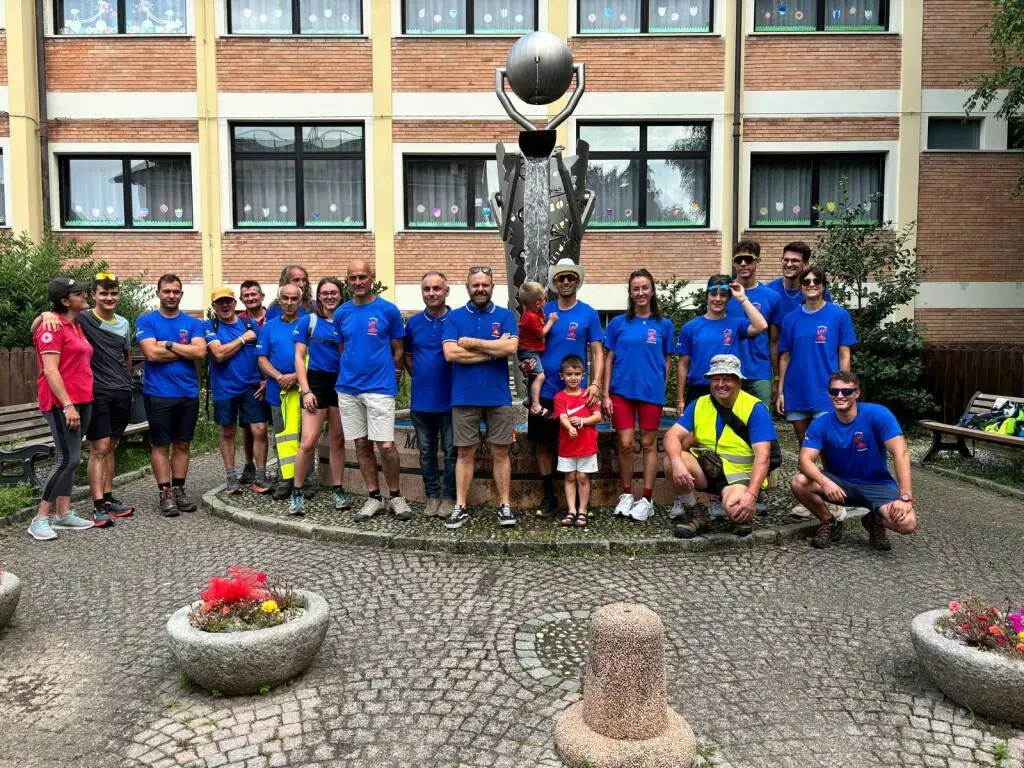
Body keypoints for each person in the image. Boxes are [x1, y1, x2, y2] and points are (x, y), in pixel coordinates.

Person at [33, 272, 136, 520]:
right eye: (103, 293)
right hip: (80, 398)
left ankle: (78, 508)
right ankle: (59, 512)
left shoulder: (82, 325)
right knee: (83, 453)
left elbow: (126, 357)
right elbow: (48, 364)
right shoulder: (71, 321)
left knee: (104, 448)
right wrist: (44, 314)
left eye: (114, 293)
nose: (109, 297)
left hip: (104, 394)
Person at [790, 371, 918, 551]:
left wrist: (905, 496)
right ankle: (829, 522)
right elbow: (804, 461)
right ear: (829, 394)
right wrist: (825, 482)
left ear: (857, 393)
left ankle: (874, 521)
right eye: (834, 391)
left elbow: (901, 453)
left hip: (877, 485)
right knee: (799, 482)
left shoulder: (878, 414)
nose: (839, 395)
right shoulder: (821, 423)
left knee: (908, 524)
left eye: (846, 391)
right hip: (841, 486)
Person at [663, 354, 776, 539]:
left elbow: (763, 457)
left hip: (740, 474)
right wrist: (677, 462)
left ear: (739, 381)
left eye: (727, 379)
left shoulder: (755, 408)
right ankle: (696, 513)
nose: (721, 384)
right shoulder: (699, 404)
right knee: (670, 460)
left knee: (738, 511)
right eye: (716, 379)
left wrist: (751, 495)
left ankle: (740, 509)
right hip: (708, 468)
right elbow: (671, 436)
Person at [524, 258, 604, 519]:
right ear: (555, 282)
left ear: (578, 281)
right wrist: (527, 363)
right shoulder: (543, 310)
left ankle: (581, 502)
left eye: (571, 277)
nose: (566, 281)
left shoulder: (588, 313)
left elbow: (597, 351)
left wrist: (595, 384)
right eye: (561, 278)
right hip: (546, 389)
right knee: (543, 444)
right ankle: (549, 495)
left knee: (579, 441)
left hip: (578, 393)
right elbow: (529, 339)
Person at [441, 265, 519, 530]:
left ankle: (505, 506)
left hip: (498, 396)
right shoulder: (454, 318)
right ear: (467, 288)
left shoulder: (506, 315)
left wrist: (473, 343)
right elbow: (451, 354)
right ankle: (460, 507)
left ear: (493, 287)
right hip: (463, 396)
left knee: (501, 451)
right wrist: (492, 351)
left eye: (485, 284)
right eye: (476, 285)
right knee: (465, 452)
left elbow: (510, 347)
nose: (480, 289)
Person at [335, 260, 410, 522]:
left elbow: (398, 348)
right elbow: (343, 347)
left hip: (379, 387)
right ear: (347, 280)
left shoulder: (388, 310)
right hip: (348, 388)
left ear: (372, 278)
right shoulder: (341, 313)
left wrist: (396, 373)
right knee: (361, 443)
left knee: (386, 445)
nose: (358, 282)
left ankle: (396, 496)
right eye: (353, 277)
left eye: (362, 277)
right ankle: (374, 497)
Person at [27, 278, 97, 540]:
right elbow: (50, 370)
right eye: (79, 294)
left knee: (71, 458)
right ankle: (39, 518)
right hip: (61, 403)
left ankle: (63, 514)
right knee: (67, 459)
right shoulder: (51, 327)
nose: (84, 296)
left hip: (83, 399)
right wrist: (67, 405)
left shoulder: (75, 325)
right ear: (66, 300)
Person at [602, 268, 674, 522]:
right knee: (625, 444)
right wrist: (605, 393)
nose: (641, 292)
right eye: (636, 288)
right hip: (621, 391)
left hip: (650, 393)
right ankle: (626, 494)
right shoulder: (619, 324)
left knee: (648, 444)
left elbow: (667, 360)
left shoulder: (664, 324)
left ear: (652, 291)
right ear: (630, 293)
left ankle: (646, 498)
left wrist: (660, 386)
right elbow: (609, 358)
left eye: (645, 288)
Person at [136, 273, 207, 517]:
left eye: (176, 291)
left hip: (187, 392)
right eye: (167, 291)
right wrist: (185, 350)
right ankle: (164, 492)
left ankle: (179, 489)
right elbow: (151, 355)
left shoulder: (194, 322)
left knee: (183, 443)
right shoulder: (146, 321)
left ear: (181, 294)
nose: (171, 295)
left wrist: (167, 344)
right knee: (160, 444)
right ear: (158, 293)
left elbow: (200, 353)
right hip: (158, 393)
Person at [776, 266, 856, 444]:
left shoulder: (839, 315)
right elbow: (785, 357)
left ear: (824, 286)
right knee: (804, 444)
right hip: (796, 391)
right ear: (801, 287)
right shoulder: (790, 318)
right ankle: (807, 473)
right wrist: (780, 392)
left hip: (826, 391)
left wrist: (844, 388)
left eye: (816, 281)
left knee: (827, 444)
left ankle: (829, 473)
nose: (811, 284)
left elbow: (844, 355)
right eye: (806, 281)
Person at [290, 277, 349, 516]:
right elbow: (299, 358)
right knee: (309, 440)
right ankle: (296, 493)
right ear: (318, 296)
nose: (329, 296)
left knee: (337, 439)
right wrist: (305, 390)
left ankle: (338, 489)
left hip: (343, 382)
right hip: (316, 382)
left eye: (334, 292)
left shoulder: (347, 320)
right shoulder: (309, 321)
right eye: (324, 293)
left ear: (341, 295)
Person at [204, 288, 270, 494]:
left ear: (235, 303)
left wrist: (266, 379)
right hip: (224, 388)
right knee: (228, 432)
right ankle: (231, 478)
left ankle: (260, 476)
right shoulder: (210, 326)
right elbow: (219, 354)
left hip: (252, 386)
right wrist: (243, 339)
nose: (224, 306)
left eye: (228, 302)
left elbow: (264, 353)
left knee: (259, 430)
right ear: (214, 306)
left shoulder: (249, 324)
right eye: (219, 303)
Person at [404, 271, 456, 519]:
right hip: (422, 400)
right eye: (427, 289)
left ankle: (449, 497)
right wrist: (424, 377)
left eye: (437, 288)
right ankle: (432, 495)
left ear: (446, 292)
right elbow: (408, 357)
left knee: (451, 452)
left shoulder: (457, 320)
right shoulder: (413, 324)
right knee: (426, 452)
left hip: (452, 399)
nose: (432, 293)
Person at [675, 274, 767, 408]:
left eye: (723, 295)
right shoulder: (691, 327)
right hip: (698, 389)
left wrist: (742, 298)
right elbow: (683, 365)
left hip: (727, 390)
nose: (718, 299)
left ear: (729, 298)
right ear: (707, 295)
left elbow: (761, 325)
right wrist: (679, 399)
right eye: (713, 294)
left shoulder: (736, 324)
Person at [256, 283, 304, 501]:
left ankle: (305, 482)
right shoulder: (269, 326)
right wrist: (279, 377)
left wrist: (296, 376)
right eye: (285, 298)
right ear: (279, 300)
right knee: (282, 438)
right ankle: (285, 481)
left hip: (304, 391)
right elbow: (262, 358)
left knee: (305, 439)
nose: (290, 302)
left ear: (300, 301)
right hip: (278, 392)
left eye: (294, 298)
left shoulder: (309, 324)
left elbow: (315, 357)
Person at [727, 240, 782, 408]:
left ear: (758, 261)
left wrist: (776, 379)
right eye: (739, 259)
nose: (743, 264)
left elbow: (774, 341)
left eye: (749, 259)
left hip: (759, 373)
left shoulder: (772, 297)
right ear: (733, 262)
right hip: (728, 372)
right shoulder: (722, 294)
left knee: (761, 424)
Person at [554, 355, 602, 528]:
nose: (573, 378)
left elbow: (598, 416)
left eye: (577, 374)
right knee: (570, 476)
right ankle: (571, 510)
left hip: (586, 445)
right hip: (567, 446)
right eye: (569, 374)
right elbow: (562, 417)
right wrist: (569, 427)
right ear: (562, 376)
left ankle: (582, 510)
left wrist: (582, 422)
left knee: (582, 477)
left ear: (583, 375)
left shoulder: (589, 395)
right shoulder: (560, 397)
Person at [237, 278, 268, 484]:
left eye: (253, 294)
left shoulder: (274, 316)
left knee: (278, 428)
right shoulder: (236, 320)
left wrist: (269, 380)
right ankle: (251, 466)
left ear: (262, 296)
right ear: (241, 299)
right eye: (246, 295)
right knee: (251, 427)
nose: (250, 298)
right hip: (249, 382)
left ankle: (282, 469)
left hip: (274, 380)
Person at [517, 281, 558, 416]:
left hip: (531, 349)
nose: (546, 301)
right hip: (528, 350)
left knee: (534, 376)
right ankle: (535, 404)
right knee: (540, 376)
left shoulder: (534, 310)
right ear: (538, 303)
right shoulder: (530, 317)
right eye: (545, 298)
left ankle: (529, 399)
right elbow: (541, 333)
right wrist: (551, 321)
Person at [766, 241, 832, 320]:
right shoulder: (769, 291)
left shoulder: (817, 292)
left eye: (795, 260)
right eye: (786, 260)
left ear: (806, 263)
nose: (789, 264)